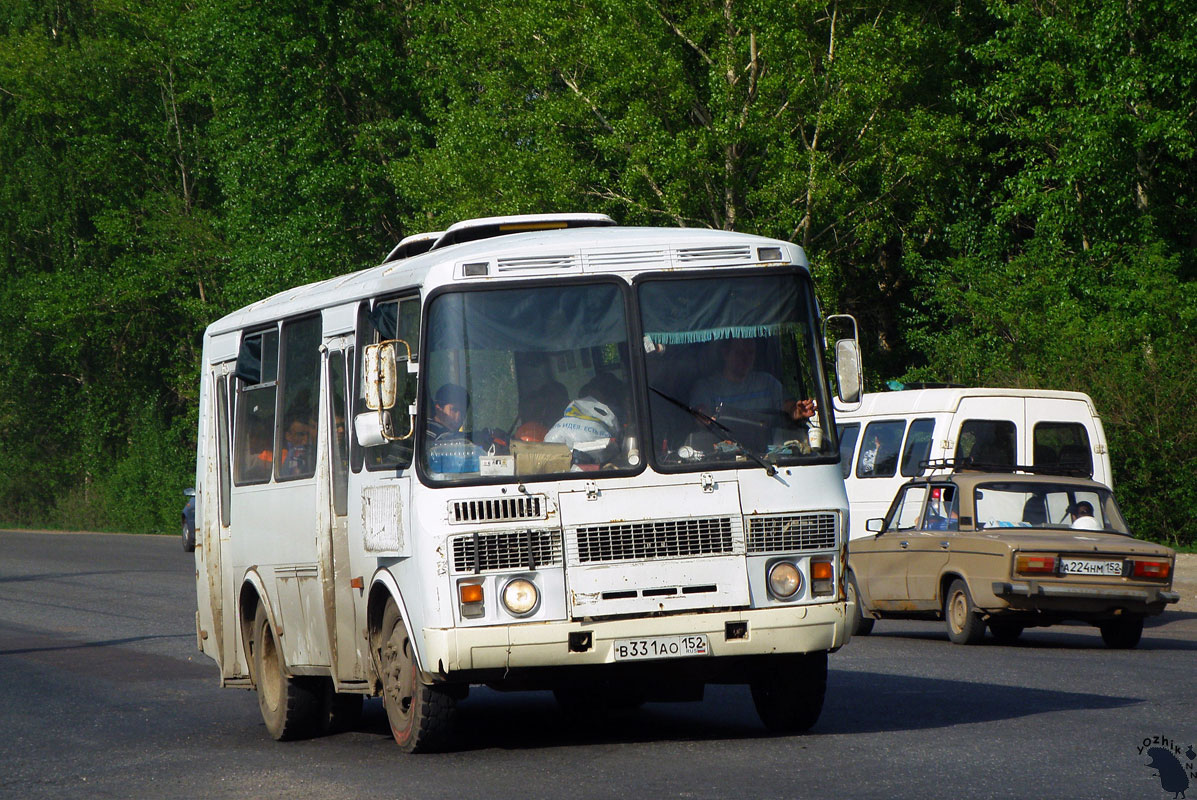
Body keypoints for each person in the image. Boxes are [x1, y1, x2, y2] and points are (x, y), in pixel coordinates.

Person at [688, 337, 815, 423]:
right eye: (739, 353)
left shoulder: (767, 383)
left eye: (750, 353)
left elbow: (789, 408)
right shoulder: (706, 387)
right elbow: (701, 417)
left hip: (767, 456)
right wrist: (707, 420)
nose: (746, 358)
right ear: (725, 354)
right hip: (724, 458)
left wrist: (798, 411)